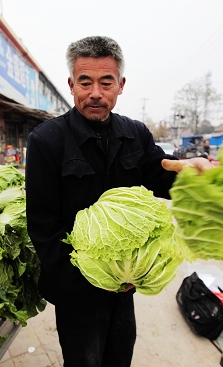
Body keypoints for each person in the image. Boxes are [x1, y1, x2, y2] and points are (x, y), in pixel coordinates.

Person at [25, 36, 212, 367]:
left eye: (105, 82)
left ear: (120, 85)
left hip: (124, 282)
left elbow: (161, 174)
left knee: (119, 355)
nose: (95, 92)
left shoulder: (135, 134)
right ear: (71, 85)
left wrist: (191, 176)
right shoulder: (47, 140)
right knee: (83, 360)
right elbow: (42, 226)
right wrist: (93, 276)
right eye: (86, 82)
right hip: (77, 287)